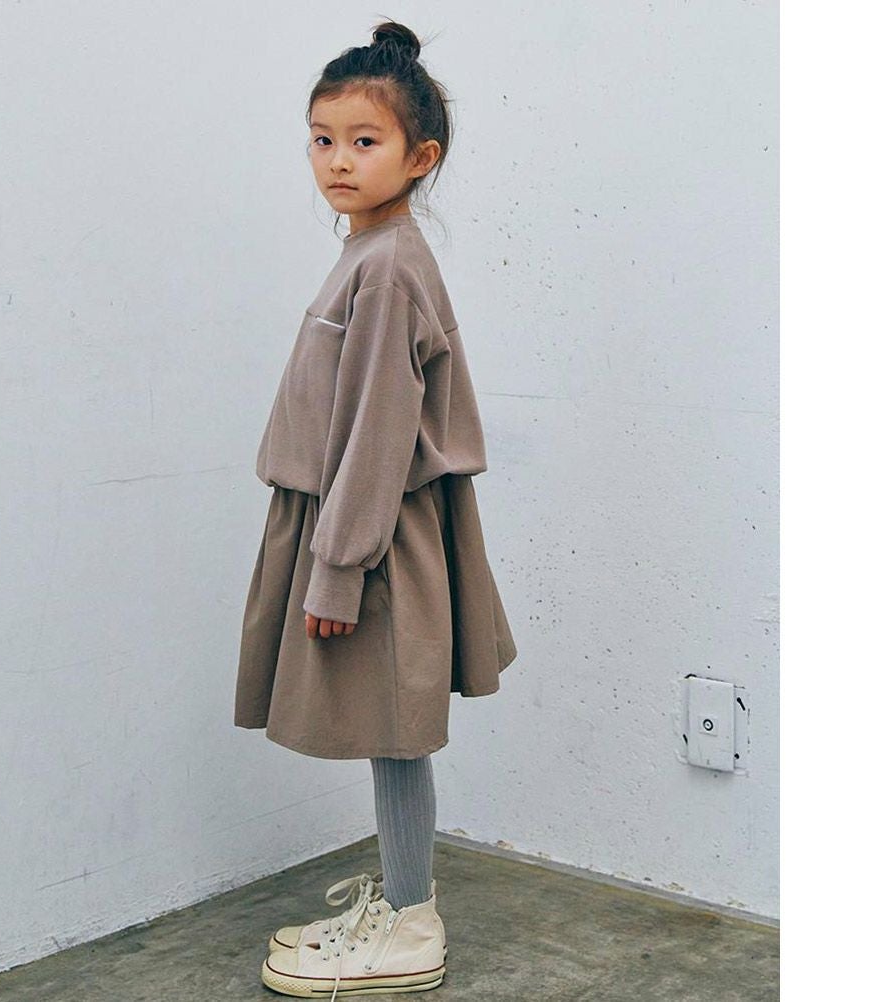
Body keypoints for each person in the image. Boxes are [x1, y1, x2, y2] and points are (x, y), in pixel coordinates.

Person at [233, 19, 518, 999]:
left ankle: (411, 925)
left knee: (397, 728)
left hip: (375, 537)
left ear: (419, 157)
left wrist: (337, 568)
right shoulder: (373, 252)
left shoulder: (389, 266)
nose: (338, 161)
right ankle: (402, 906)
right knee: (393, 727)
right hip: (365, 529)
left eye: (364, 140)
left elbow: (377, 431)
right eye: (322, 139)